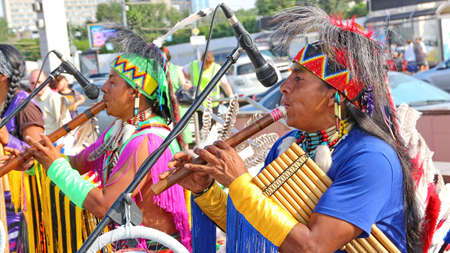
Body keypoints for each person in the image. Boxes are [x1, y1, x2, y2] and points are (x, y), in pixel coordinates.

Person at [169, 6, 421, 253]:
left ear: (335, 96)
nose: (284, 87)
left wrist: (239, 182)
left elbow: (313, 246)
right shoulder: (289, 145)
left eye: (298, 79)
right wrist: (206, 190)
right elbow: (257, 226)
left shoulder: (371, 158)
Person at [26, 28, 191, 251]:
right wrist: (38, 159)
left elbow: (106, 205)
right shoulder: (119, 131)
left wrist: (55, 166)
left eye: (112, 82)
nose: (103, 88)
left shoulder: (147, 140)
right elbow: (77, 163)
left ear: (135, 93)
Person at [0, 44, 44, 252]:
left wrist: (8, 139)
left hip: (19, 208)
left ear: (2, 76)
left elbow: (39, 154)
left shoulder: (24, 105)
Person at [183, 51, 233, 126]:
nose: (208, 66)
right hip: (198, 104)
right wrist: (187, 81)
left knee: (211, 127)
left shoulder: (216, 67)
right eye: (207, 63)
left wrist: (231, 95)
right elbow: (182, 71)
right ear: (202, 60)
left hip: (212, 104)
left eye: (210, 63)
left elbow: (225, 84)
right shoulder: (193, 65)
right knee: (201, 128)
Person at [163, 47, 193, 150]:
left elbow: (184, 83)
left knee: (183, 132)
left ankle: (186, 153)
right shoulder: (157, 71)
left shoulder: (176, 69)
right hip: (164, 105)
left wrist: (187, 85)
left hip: (177, 105)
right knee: (167, 132)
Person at [29, 69, 72, 135]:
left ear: (47, 83)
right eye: (32, 83)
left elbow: (66, 126)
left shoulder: (55, 98)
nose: (36, 86)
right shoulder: (31, 100)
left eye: (39, 82)